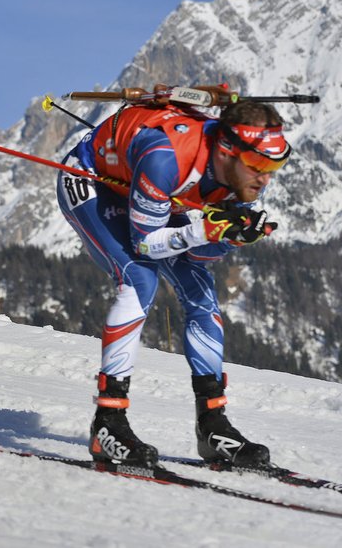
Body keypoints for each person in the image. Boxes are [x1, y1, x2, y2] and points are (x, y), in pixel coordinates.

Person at [56, 97, 290, 468]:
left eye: (276, 165)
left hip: (157, 197)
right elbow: (145, 243)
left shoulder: (242, 178)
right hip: (94, 183)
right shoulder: (166, 156)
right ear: (228, 152)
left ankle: (212, 424)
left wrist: (228, 237)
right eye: (259, 165)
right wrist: (205, 229)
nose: (266, 177)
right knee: (139, 279)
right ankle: (108, 423)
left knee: (200, 290)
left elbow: (195, 257)